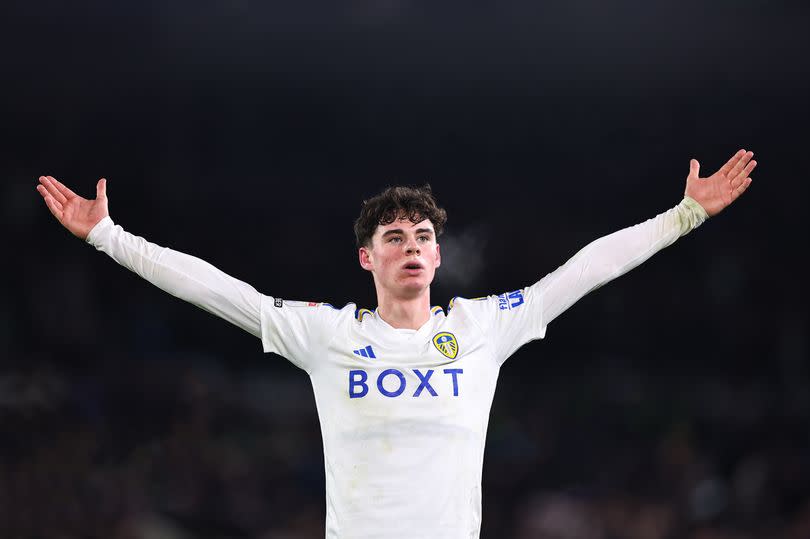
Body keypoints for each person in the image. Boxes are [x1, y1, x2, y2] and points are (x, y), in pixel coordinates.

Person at [35, 149, 756, 538]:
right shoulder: (328, 334)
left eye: (422, 238)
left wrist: (685, 214)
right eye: (394, 238)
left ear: (438, 257)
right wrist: (107, 235)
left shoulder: (480, 327)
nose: (411, 246)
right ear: (367, 259)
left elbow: (585, 269)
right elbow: (219, 290)